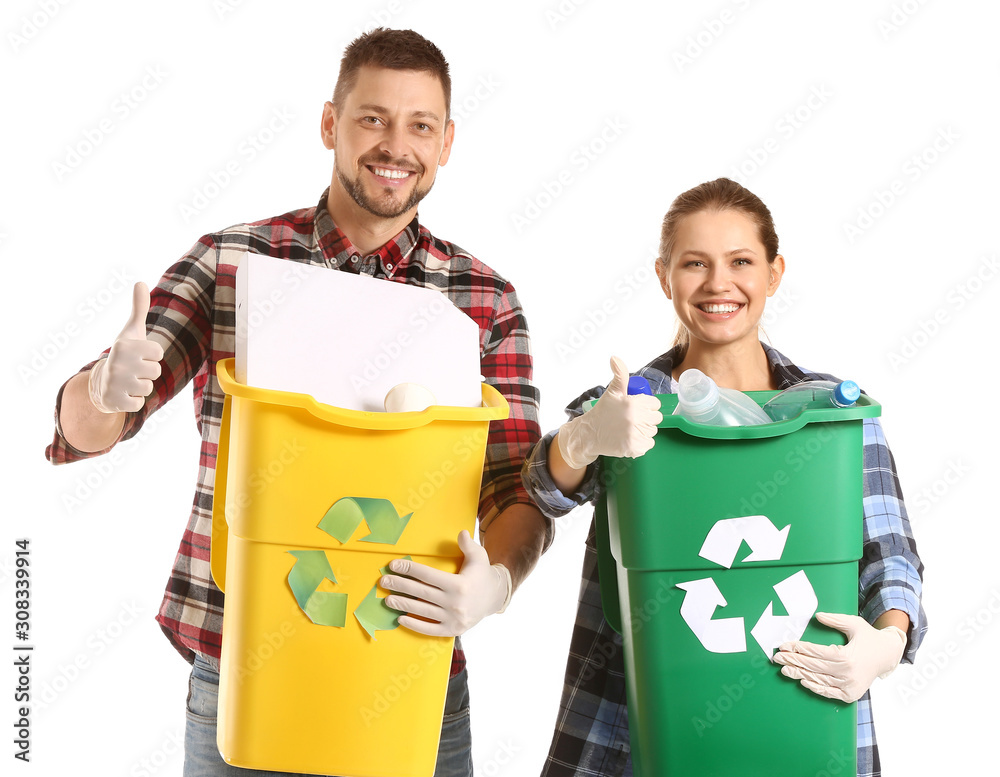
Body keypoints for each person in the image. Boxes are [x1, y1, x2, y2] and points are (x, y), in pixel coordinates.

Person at [45, 28, 551, 777]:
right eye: (373, 117)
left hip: (408, 669)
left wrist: (496, 584)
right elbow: (84, 432)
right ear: (330, 125)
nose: (395, 145)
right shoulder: (232, 262)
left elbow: (518, 489)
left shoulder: (485, 301)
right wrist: (100, 389)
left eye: (420, 126)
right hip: (244, 665)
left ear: (446, 143)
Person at [521, 177, 926, 777]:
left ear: (774, 272)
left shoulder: (836, 417)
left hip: (809, 718)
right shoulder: (630, 407)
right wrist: (586, 436)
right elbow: (545, 488)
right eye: (694, 264)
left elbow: (890, 557)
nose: (718, 284)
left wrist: (887, 643)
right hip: (629, 731)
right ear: (664, 276)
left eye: (741, 261)